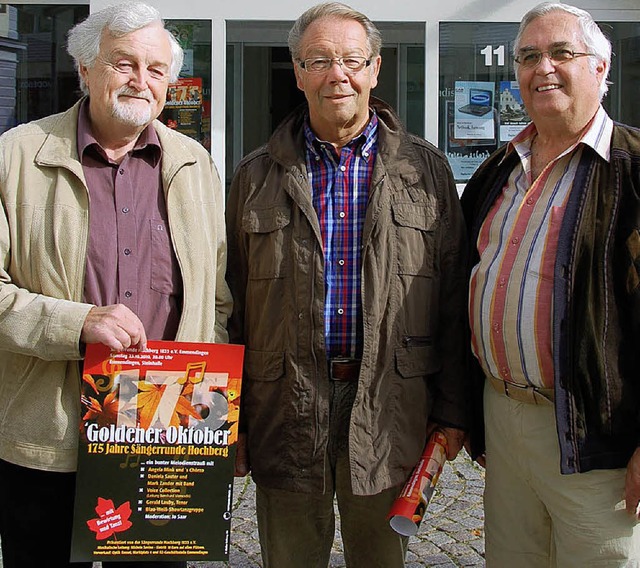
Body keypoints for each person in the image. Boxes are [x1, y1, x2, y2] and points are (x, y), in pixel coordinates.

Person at [226, 3, 469, 566]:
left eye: (352, 60)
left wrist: (452, 411)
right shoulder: (255, 174)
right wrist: (226, 419)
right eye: (320, 60)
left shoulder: (425, 172)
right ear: (298, 71)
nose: (338, 74)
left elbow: (454, 298)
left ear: (375, 69)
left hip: (390, 408)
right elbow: (232, 305)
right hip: (283, 408)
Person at [0, 3, 232, 567]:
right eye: (122, 64)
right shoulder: (17, 156)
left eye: (155, 69)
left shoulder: (195, 165)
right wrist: (76, 323)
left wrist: (211, 412)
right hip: (49, 436)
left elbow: (217, 297)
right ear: (85, 69)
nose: (140, 80)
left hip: (164, 432)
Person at [462, 2, 640, 566]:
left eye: (561, 53)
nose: (543, 68)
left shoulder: (633, 169)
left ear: (600, 68)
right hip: (502, 420)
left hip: (597, 435)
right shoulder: (498, 170)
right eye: (529, 56)